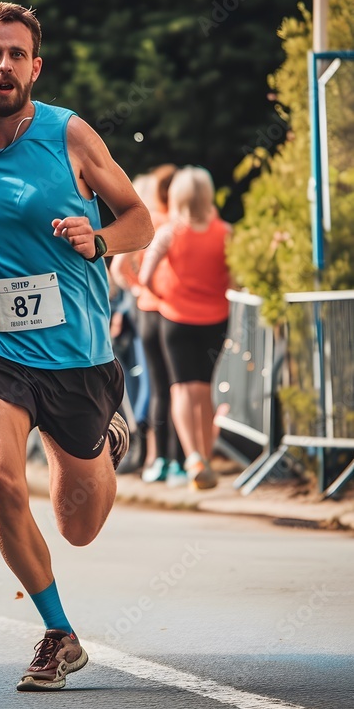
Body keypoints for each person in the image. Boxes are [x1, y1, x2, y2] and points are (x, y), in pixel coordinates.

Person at [0, 2, 153, 691]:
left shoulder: (69, 136)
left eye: (16, 54)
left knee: (78, 527)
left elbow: (140, 217)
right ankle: (56, 632)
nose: (3, 65)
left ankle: (103, 443)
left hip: (76, 356)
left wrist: (100, 239)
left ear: (34, 68)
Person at [139, 166, 231, 489]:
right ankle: (205, 456)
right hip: (216, 319)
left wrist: (162, 295)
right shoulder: (224, 233)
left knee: (180, 389)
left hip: (175, 319)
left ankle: (192, 456)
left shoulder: (169, 233)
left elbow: (146, 275)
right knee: (204, 390)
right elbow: (236, 277)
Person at [111, 165, 184, 484]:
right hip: (171, 311)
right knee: (175, 386)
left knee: (153, 385)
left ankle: (156, 458)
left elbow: (118, 269)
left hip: (144, 310)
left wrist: (137, 289)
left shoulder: (148, 222)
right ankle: (176, 459)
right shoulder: (172, 224)